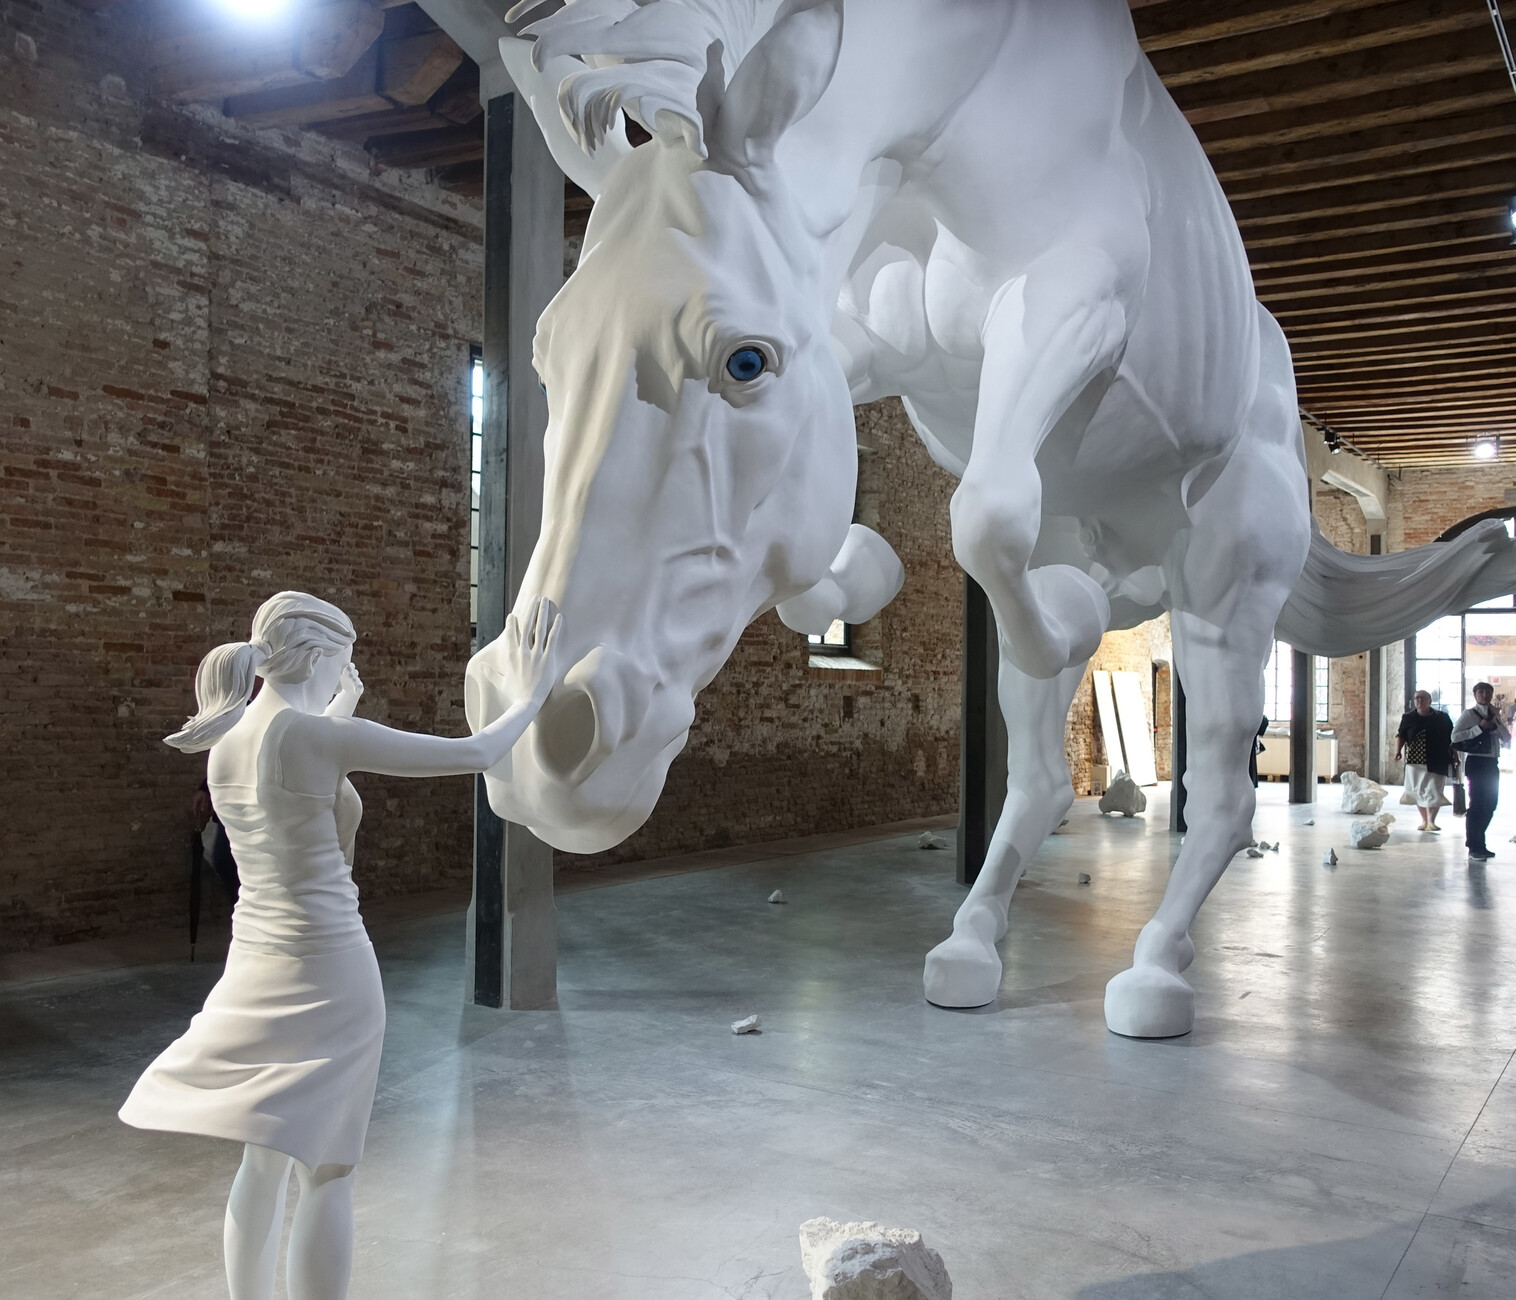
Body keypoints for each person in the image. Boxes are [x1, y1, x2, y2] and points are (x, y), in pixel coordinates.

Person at [120, 591, 562, 1300]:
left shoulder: (226, 741)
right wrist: (535, 687)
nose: (344, 678)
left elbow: (296, 790)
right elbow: (477, 752)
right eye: (344, 664)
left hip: (255, 965)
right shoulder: (318, 739)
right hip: (331, 970)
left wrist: (338, 712)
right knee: (327, 1169)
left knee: (261, 1158)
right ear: (320, 656)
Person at [1453, 681, 1510, 863]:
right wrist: (1479, 728)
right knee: (1477, 804)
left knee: (1491, 804)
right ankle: (1474, 846)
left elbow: (1507, 738)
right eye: (1481, 692)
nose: (1485, 695)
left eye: (1488, 692)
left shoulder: (1495, 714)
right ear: (1476, 694)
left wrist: (1496, 727)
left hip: (1492, 762)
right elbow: (1455, 736)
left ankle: (1480, 843)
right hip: (1476, 761)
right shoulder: (1469, 714)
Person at [1394, 691, 1455, 832]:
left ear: (1429, 700)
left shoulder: (1442, 718)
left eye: (1422, 698)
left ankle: (1431, 821)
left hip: (1438, 758)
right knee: (1417, 790)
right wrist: (1397, 751)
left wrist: (1455, 755)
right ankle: (1425, 820)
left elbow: (1451, 738)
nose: (1419, 701)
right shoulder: (1408, 718)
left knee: (1435, 790)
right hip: (1415, 759)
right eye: (1416, 698)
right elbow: (1401, 735)